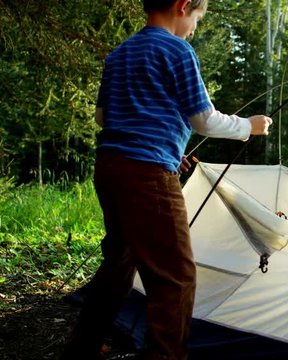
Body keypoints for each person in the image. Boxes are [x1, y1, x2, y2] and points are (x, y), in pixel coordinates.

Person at [60, 0, 272, 359]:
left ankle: (82, 348)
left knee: (119, 262)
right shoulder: (178, 50)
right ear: (182, 6)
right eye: (197, 19)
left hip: (110, 168)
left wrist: (167, 149)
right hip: (147, 175)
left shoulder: (119, 53)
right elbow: (204, 120)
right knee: (175, 277)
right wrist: (248, 128)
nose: (194, 28)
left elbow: (102, 116)